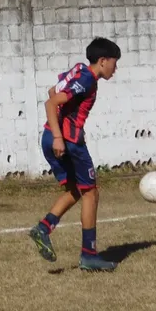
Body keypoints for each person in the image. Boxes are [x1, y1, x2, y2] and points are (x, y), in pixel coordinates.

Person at [29, 37, 121, 272]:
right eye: (114, 62)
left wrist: (57, 132)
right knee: (90, 192)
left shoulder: (79, 70)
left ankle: (43, 228)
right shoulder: (87, 80)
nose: (115, 68)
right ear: (103, 61)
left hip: (50, 137)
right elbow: (51, 102)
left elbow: (54, 89)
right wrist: (60, 137)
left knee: (74, 190)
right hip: (67, 142)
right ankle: (89, 255)